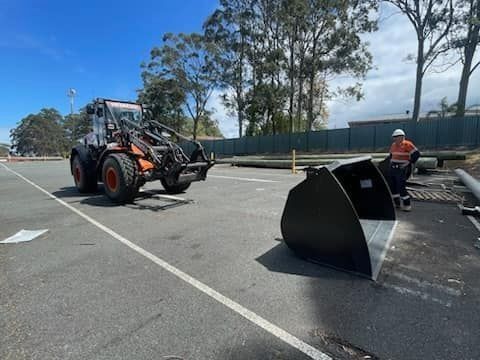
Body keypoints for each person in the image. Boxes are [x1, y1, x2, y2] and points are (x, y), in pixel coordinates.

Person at [389, 129, 420, 212]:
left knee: (400, 186)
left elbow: (417, 154)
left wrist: (408, 163)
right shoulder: (393, 145)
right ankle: (397, 203)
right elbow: (391, 155)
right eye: (394, 137)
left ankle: (407, 205)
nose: (395, 138)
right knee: (393, 186)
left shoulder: (407, 144)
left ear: (402, 137)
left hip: (401, 169)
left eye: (396, 137)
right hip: (393, 168)